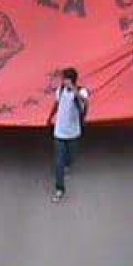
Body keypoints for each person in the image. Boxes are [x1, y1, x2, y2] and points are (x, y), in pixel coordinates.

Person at [46, 67, 89, 203]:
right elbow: (57, 103)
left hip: (73, 132)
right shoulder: (60, 90)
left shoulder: (82, 91)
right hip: (59, 132)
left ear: (71, 80)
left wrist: (74, 90)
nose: (62, 81)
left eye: (64, 79)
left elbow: (85, 102)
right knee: (58, 161)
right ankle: (59, 189)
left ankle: (67, 165)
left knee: (71, 156)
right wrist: (50, 116)